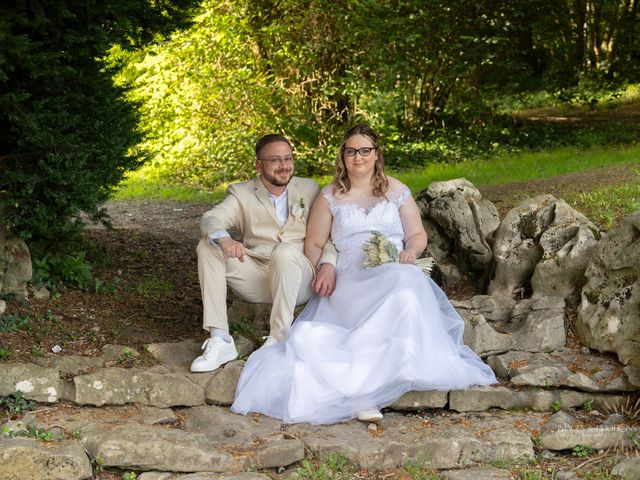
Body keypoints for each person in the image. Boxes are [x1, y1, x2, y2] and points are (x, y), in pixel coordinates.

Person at [230, 124, 497, 424]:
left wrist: (410, 252)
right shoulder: (329, 196)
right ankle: (366, 394)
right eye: (351, 151)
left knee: (407, 284)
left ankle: (397, 367)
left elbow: (418, 235)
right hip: (348, 279)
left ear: (376, 154)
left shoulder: (397, 191)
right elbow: (314, 243)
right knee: (396, 289)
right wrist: (324, 267)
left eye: (365, 150)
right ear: (342, 156)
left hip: (392, 268)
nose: (358, 157)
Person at [191, 134, 337, 373]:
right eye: (276, 160)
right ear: (259, 164)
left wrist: (329, 263)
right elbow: (210, 218)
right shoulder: (242, 193)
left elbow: (330, 234)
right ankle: (221, 339)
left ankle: (279, 338)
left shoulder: (310, 189)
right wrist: (225, 238)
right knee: (208, 246)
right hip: (259, 275)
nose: (284, 166)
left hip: (300, 276)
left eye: (288, 158)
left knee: (285, 251)